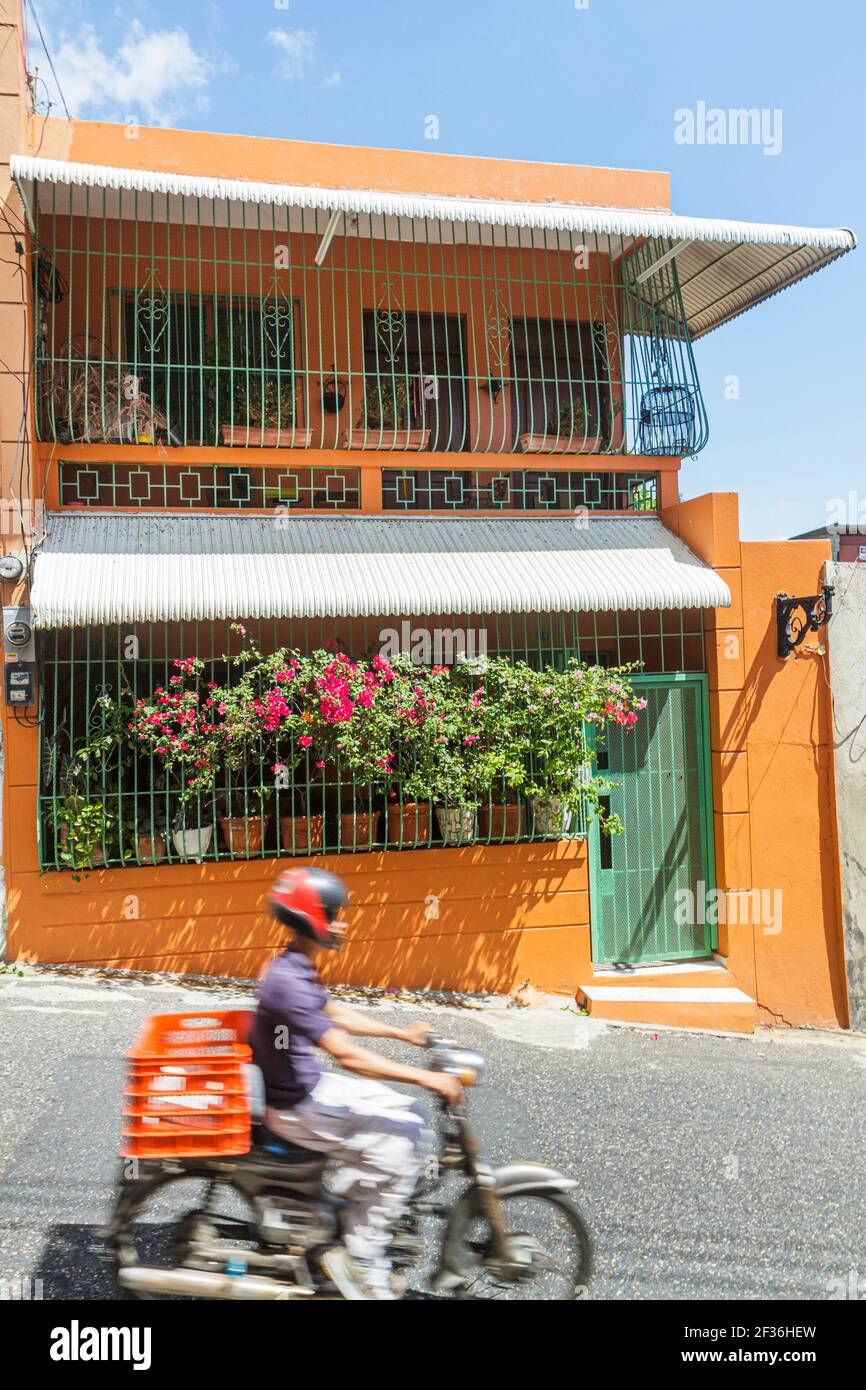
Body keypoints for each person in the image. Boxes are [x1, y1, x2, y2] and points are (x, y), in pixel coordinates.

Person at [250, 866, 463, 1300]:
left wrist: (401, 1034)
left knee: (412, 1114)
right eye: (335, 914)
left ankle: (343, 1207)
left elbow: (334, 1014)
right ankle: (362, 1258)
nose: (343, 923)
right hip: (297, 1106)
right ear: (313, 919)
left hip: (302, 1088)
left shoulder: (293, 965)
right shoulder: (288, 981)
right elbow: (347, 1055)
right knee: (403, 1138)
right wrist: (427, 1077)